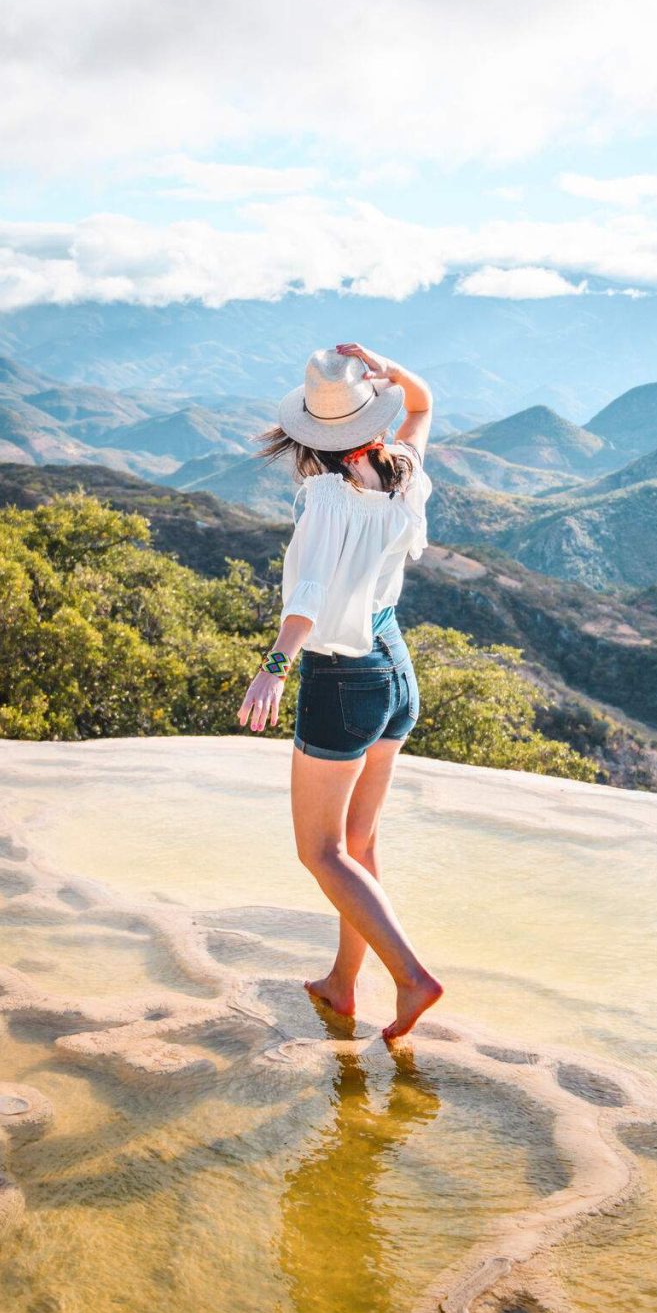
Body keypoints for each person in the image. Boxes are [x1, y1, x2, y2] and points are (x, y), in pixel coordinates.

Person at [238, 343, 443, 1043]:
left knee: (320, 851)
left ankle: (412, 976)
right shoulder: (403, 470)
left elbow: (310, 595)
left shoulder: (326, 496)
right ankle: (343, 981)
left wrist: (274, 664)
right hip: (393, 665)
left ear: (310, 436)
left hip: (341, 675)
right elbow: (422, 402)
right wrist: (385, 365)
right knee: (358, 840)